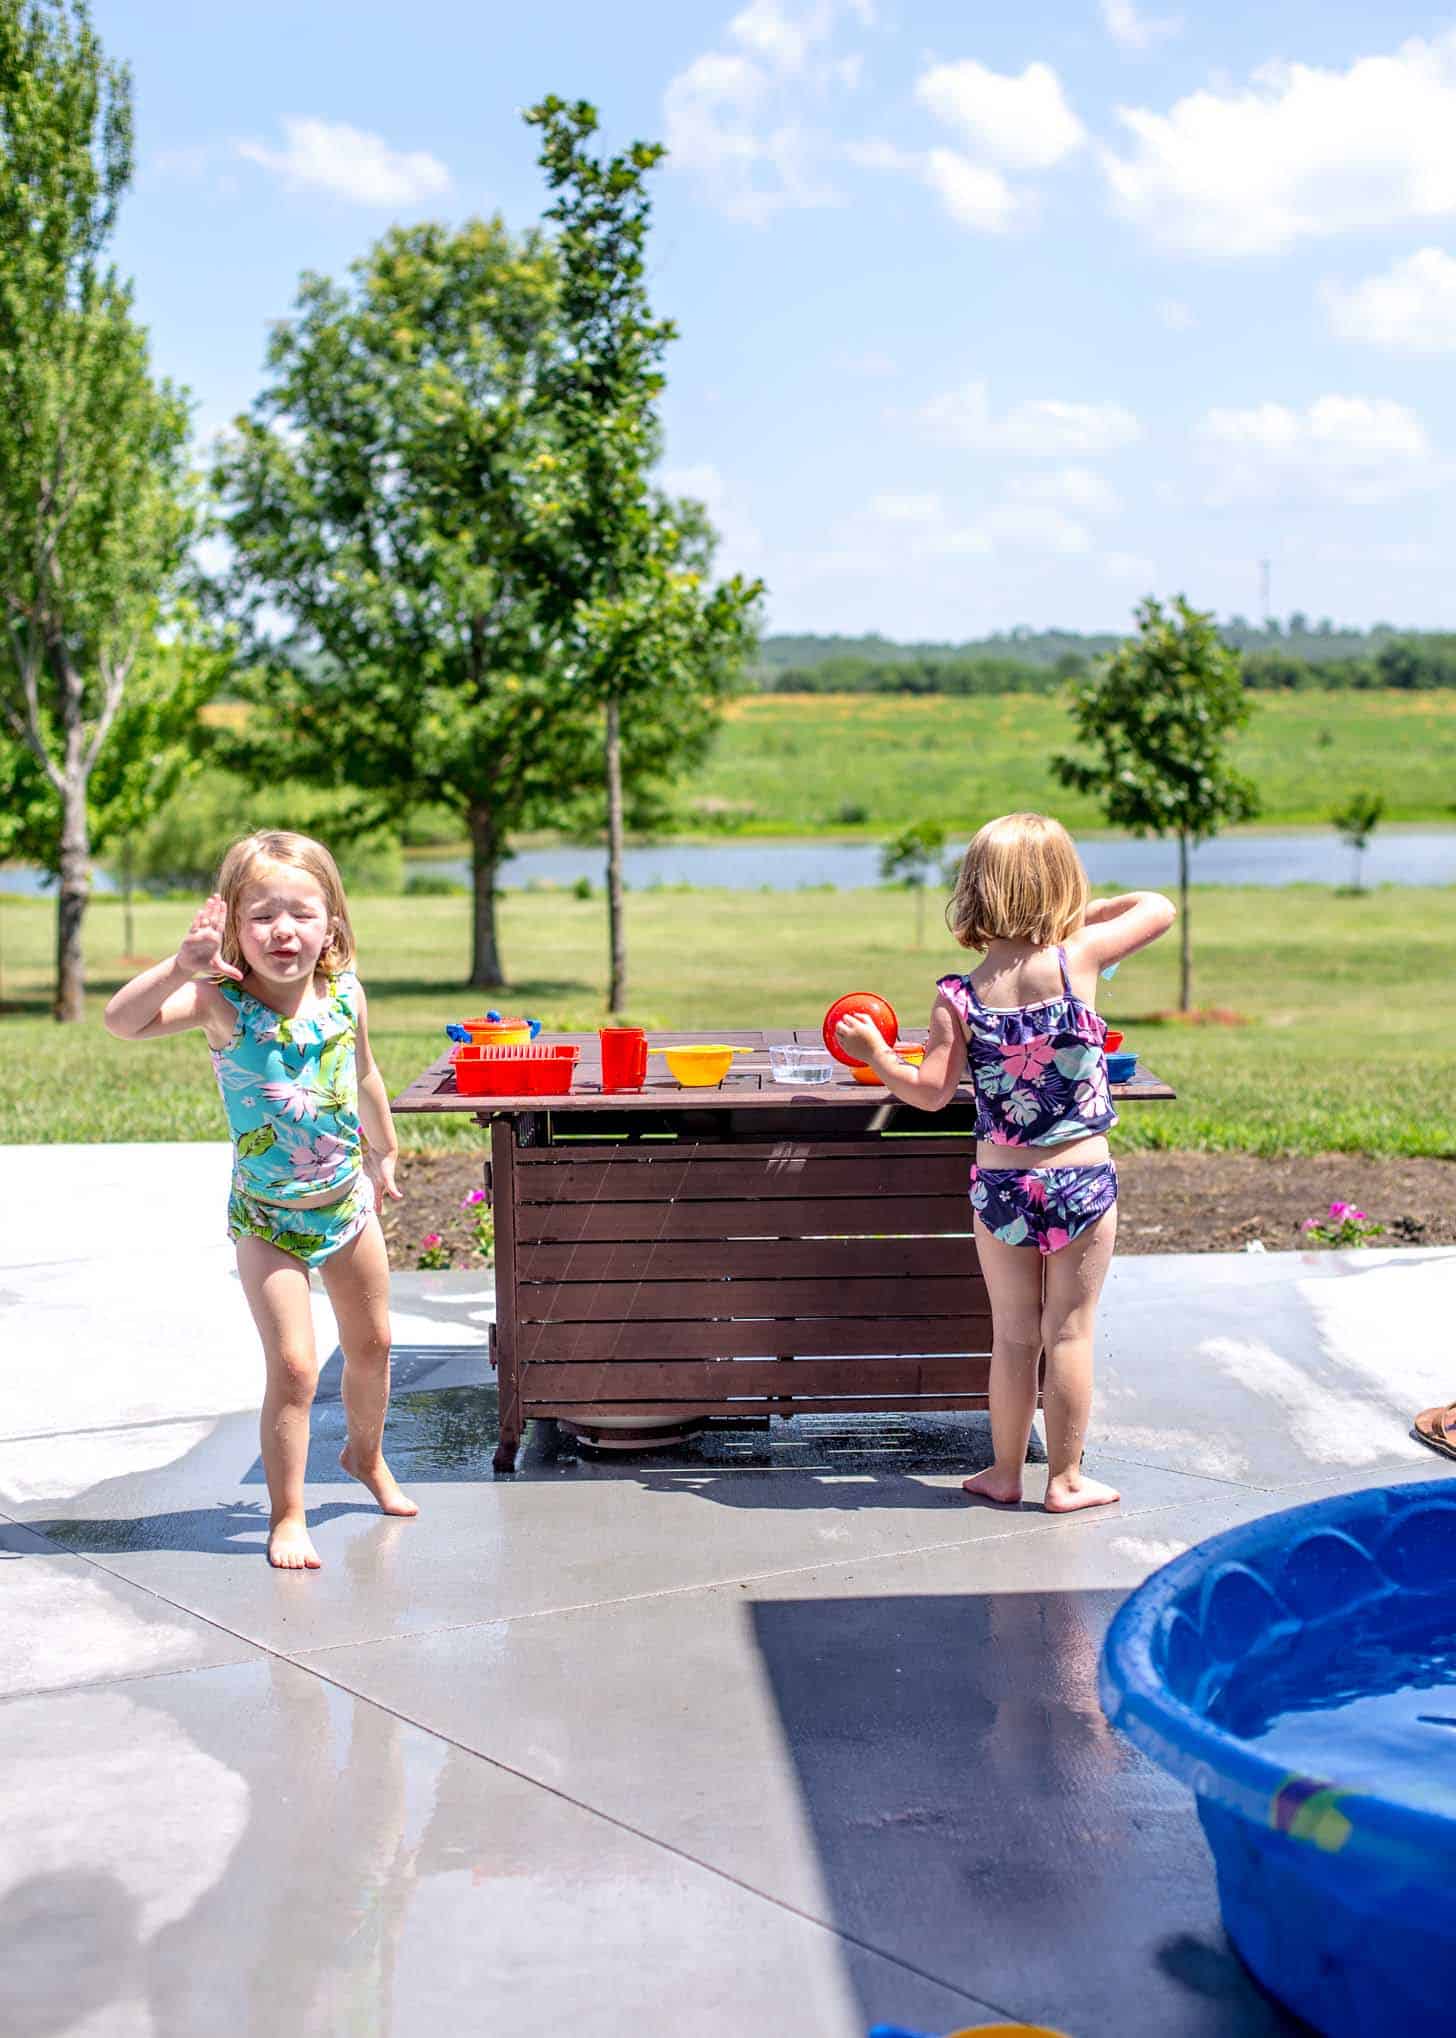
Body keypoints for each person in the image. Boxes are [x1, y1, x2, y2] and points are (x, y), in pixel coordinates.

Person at [837, 812, 1174, 1514]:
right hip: (1081, 1180)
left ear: (975, 892)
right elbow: (1160, 908)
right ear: (1062, 888)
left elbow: (929, 1094)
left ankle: (1004, 1472)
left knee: (1015, 1336)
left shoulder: (957, 996)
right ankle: (1066, 1480)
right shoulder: (1077, 957)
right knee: (1072, 1332)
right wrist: (1086, 911)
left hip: (1001, 1188)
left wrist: (877, 1057)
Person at [104, 829, 417, 1569]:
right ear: (237, 930)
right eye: (263, 916)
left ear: (331, 924)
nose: (285, 931)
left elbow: (365, 1075)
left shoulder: (346, 995)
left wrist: (387, 1147)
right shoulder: (223, 1006)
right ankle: (288, 1516)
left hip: (345, 1207)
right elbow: (121, 1022)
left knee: (373, 1346)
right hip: (268, 1222)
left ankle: (365, 1457)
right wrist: (180, 966)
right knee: (298, 1368)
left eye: (302, 913)